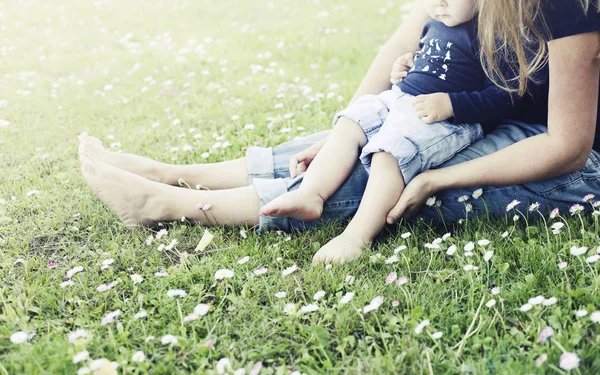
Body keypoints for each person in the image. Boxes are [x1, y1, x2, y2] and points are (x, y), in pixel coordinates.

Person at [78, 0, 600, 264]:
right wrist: (342, 133)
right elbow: (396, 47)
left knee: (395, 163)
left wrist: (435, 180)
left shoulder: (564, 5)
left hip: (567, 156)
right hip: (486, 116)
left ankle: (167, 206)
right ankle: (173, 175)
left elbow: (567, 146)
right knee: (357, 141)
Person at [260, 0, 524, 262]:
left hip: (444, 119)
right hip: (402, 98)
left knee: (389, 152)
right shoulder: (438, 20)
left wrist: (452, 104)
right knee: (350, 121)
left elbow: (506, 97)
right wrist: (405, 67)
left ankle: (356, 236)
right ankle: (311, 193)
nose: (439, 3)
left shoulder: (494, 33)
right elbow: (434, 63)